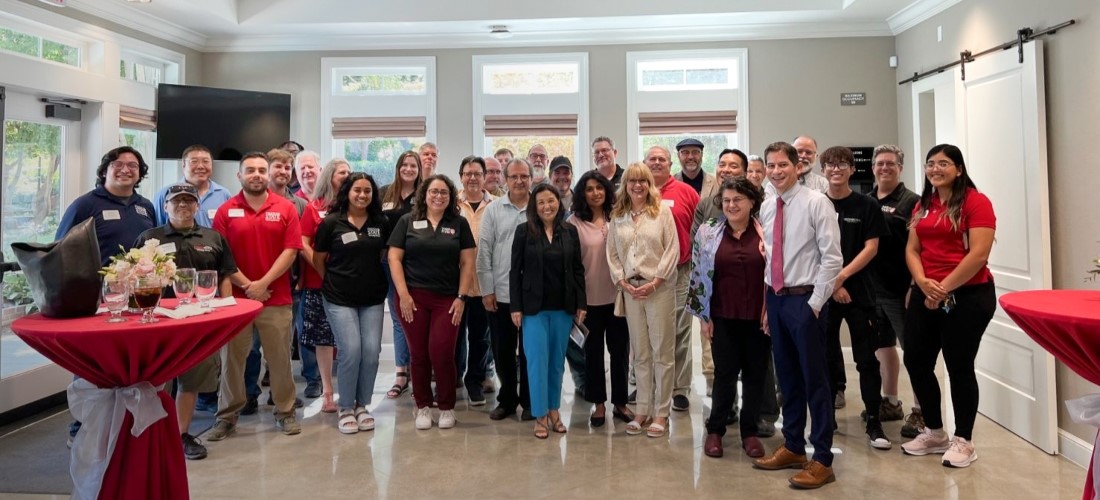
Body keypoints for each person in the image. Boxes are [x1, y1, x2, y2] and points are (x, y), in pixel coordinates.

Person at [752, 141, 842, 489]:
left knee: (815, 381)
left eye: (782, 166)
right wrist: (767, 303)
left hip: (806, 301)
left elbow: (832, 258)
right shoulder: (768, 206)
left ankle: (822, 458)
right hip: (777, 301)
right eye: (770, 166)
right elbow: (771, 255)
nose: (776, 172)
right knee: (787, 379)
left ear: (798, 167)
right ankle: (792, 444)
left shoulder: (816, 202)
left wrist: (816, 304)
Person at [900, 144, 996, 469]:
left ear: (958, 168)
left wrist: (942, 288)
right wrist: (923, 282)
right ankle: (935, 431)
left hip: (968, 297)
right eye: (930, 163)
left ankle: (964, 440)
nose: (935, 169)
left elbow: (979, 255)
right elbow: (912, 249)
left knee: (959, 366)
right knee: (915, 360)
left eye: (943, 163)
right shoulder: (923, 205)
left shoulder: (975, 202)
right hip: (926, 292)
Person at [136, 183, 237, 460]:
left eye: (189, 201)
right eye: (176, 201)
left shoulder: (213, 237)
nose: (183, 205)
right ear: (165, 206)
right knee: (157, 381)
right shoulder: (149, 238)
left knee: (191, 381)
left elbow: (225, 275)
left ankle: (181, 433)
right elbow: (136, 280)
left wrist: (225, 315)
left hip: (199, 323)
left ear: (197, 206)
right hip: (159, 324)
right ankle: (154, 434)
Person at [208, 152, 304, 440]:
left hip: (276, 297)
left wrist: (263, 283)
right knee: (232, 362)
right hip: (236, 301)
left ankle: (285, 412)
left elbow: (291, 250)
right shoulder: (226, 211)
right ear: (239, 176)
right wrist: (248, 284)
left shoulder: (286, 208)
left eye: (262, 170)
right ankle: (227, 417)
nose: (257, 175)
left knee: (280, 360)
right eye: (250, 170)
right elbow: (221, 256)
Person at [688, 177, 769, 459]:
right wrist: (703, 316)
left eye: (738, 200)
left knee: (755, 375)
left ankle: (750, 432)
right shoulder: (708, 232)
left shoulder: (765, 231)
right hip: (722, 315)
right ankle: (715, 430)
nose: (731, 205)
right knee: (724, 374)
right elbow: (698, 273)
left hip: (760, 317)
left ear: (752, 202)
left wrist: (772, 311)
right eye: (726, 201)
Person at [388, 174, 477, 430]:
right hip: (413, 298)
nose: (438, 196)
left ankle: (447, 406)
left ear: (450, 197)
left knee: (442, 352)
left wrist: (461, 297)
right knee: (418, 355)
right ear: (424, 194)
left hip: (448, 300)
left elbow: (468, 263)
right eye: (433, 191)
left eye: (444, 193)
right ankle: (423, 406)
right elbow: (394, 259)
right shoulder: (408, 221)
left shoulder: (458, 224)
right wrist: (403, 294)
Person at [819, 146, 890, 450]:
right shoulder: (816, 205)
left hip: (859, 293)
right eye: (831, 165)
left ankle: (873, 420)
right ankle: (826, 419)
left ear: (852, 169)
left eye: (842, 165)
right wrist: (833, 286)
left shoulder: (867, 205)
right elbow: (811, 249)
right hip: (823, 293)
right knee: (823, 358)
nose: (836, 170)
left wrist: (842, 277)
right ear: (823, 171)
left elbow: (871, 248)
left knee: (866, 360)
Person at [313, 172, 390, 434]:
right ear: (347, 192)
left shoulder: (380, 222)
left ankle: (361, 405)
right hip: (338, 298)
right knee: (351, 350)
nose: (362, 195)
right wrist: (334, 282)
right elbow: (318, 259)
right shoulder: (331, 223)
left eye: (368, 191)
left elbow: (382, 254)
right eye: (357, 190)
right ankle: (345, 407)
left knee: (370, 352)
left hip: (372, 297)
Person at [607, 163, 679, 438]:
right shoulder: (619, 215)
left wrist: (656, 281)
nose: (637, 186)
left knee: (662, 352)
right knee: (640, 354)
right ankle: (642, 410)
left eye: (643, 181)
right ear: (625, 185)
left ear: (650, 185)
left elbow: (673, 250)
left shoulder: (662, 213)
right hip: (630, 290)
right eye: (632, 181)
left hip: (658, 290)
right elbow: (612, 252)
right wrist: (621, 281)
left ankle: (661, 412)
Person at [510, 184, 586, 438]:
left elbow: (577, 270)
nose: (547, 206)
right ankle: (540, 413)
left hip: (563, 308)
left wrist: (581, 303)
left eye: (551, 201)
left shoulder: (570, 231)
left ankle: (554, 409)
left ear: (559, 202)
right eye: (541, 202)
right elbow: (515, 272)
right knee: (536, 362)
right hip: (533, 310)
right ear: (534, 206)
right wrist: (516, 307)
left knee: (556, 364)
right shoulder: (523, 232)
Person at [240, 148, 308, 416]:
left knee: (280, 351)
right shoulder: (231, 207)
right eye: (277, 166)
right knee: (248, 351)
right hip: (244, 291)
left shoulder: (295, 205)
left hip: (284, 289)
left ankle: (281, 403)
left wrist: (296, 279)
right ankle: (247, 396)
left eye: (287, 168)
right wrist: (251, 285)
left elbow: (297, 249)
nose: (282, 172)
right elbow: (229, 253)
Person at [569, 171, 634, 427]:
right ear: (582, 194)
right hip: (589, 302)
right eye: (589, 189)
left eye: (600, 188)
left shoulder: (619, 217)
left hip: (619, 298)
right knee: (592, 355)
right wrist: (578, 302)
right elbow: (572, 265)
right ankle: (598, 404)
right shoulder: (574, 223)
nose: (595, 193)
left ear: (607, 190)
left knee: (619, 352)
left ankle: (620, 403)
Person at [869, 145, 922, 435]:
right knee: (883, 347)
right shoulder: (866, 201)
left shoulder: (912, 202)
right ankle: (890, 402)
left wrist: (915, 284)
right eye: (880, 163)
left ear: (900, 167)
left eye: (890, 163)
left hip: (901, 290)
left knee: (913, 351)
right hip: (872, 290)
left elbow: (920, 248)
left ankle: (921, 410)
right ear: (873, 168)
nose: (884, 168)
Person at [688, 147, 748, 403]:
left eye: (733, 165)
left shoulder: (756, 203)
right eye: (722, 164)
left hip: (750, 292)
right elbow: (696, 245)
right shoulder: (707, 204)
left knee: (754, 357)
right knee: (720, 354)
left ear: (744, 171)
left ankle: (761, 412)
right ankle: (725, 405)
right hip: (716, 291)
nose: (726, 169)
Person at [478, 159, 535, 421]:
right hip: (501, 294)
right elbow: (484, 252)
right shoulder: (493, 210)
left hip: (534, 296)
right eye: (514, 176)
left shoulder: (541, 206)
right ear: (505, 178)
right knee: (503, 351)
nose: (520, 181)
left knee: (530, 352)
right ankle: (508, 399)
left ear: (531, 178)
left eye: (524, 176)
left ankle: (531, 401)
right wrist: (487, 290)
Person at [645, 145, 700, 412]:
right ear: (645, 163)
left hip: (679, 273)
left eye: (661, 159)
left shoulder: (687, 192)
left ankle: (680, 388)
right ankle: (644, 385)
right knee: (645, 332)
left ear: (670, 163)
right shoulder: (637, 191)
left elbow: (698, 232)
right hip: (644, 275)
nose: (656, 163)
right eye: (652, 159)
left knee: (680, 331)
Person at [298, 158, 351, 413]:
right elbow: (303, 242)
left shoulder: (355, 206)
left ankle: (349, 391)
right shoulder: (314, 207)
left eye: (349, 172)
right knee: (323, 338)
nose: (347, 175)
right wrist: (322, 268)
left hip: (349, 284)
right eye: (343, 172)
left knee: (348, 340)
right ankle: (328, 390)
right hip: (318, 284)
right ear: (330, 176)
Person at [380, 151, 422, 400]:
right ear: (398, 168)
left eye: (413, 165)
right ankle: (400, 372)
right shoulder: (384, 193)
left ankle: (419, 371)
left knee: (415, 317)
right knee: (397, 317)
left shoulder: (425, 193)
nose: (408, 169)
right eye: (404, 165)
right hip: (388, 264)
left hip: (417, 265)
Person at [455, 156, 496, 404]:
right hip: (456, 284)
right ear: (461, 176)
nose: (472, 177)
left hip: (484, 284)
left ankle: (475, 381)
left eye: (477, 173)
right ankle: (454, 378)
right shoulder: (451, 204)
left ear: (484, 177)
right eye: (468, 173)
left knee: (481, 338)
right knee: (455, 337)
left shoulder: (496, 205)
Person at [153, 144, 232, 227]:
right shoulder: (165, 194)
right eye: (194, 161)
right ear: (183, 165)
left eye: (206, 161)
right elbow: (157, 229)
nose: (200, 166)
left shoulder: (223, 194)